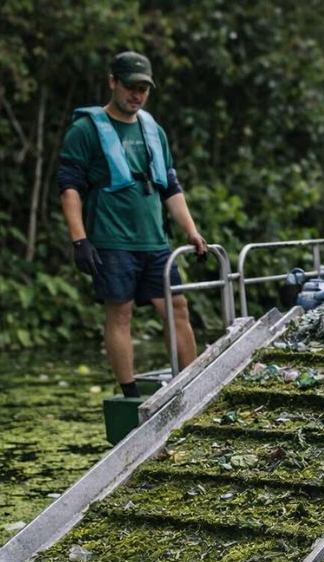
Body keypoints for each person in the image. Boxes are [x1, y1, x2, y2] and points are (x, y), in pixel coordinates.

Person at [58, 51, 208, 399]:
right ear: (113, 82)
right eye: (130, 87)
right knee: (120, 312)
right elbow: (69, 189)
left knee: (177, 307)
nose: (136, 95)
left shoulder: (153, 129)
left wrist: (192, 231)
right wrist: (80, 240)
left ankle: (194, 385)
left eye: (143, 88)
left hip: (154, 242)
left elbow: (170, 187)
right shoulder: (85, 131)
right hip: (112, 240)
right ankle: (130, 394)